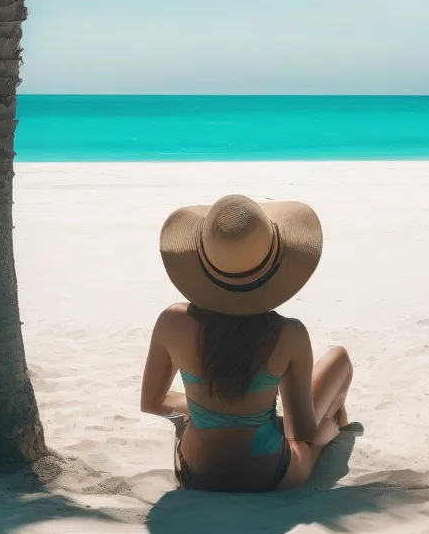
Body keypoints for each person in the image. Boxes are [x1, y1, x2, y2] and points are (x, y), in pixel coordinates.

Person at [141, 193, 353, 492]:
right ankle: (335, 427)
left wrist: (205, 409)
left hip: (193, 473)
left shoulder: (172, 322)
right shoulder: (287, 334)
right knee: (338, 359)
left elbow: (151, 403)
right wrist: (322, 434)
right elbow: (301, 430)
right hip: (270, 473)